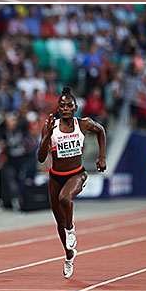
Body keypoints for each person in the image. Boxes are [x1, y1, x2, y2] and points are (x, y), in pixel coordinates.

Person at [37, 86, 106, 279]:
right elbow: (41, 158)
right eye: (62, 105)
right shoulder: (50, 126)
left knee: (65, 199)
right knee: (59, 222)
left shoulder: (83, 124)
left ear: (75, 108)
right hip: (55, 176)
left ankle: (71, 228)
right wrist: (47, 136)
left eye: (69, 105)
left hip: (77, 174)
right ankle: (69, 255)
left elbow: (101, 131)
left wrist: (101, 157)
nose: (65, 108)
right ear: (58, 108)